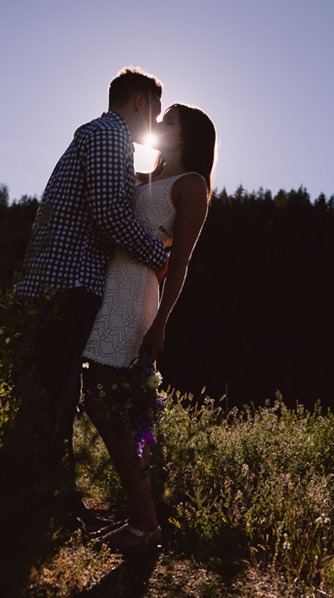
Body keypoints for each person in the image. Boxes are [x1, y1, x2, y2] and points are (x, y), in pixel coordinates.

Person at [13, 67, 168, 524]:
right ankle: (42, 508)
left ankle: (49, 503)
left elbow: (109, 203)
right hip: (64, 284)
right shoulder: (109, 134)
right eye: (156, 111)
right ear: (140, 101)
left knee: (55, 392)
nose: (156, 124)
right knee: (51, 396)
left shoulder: (103, 137)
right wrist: (155, 255)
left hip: (61, 283)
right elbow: (108, 212)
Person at [81, 103, 217, 552]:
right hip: (107, 286)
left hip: (135, 294)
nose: (160, 125)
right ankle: (141, 517)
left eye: (169, 120)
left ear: (188, 135)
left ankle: (145, 523)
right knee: (107, 401)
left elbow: (180, 264)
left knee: (104, 398)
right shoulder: (147, 177)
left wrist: (162, 322)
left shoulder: (192, 185)